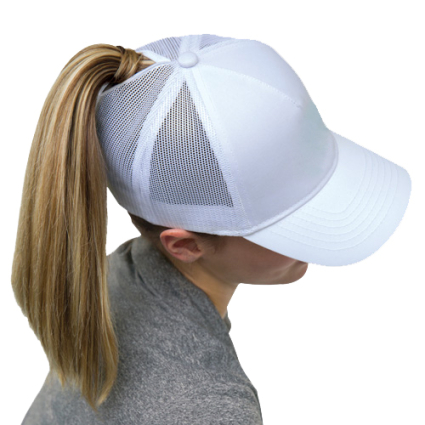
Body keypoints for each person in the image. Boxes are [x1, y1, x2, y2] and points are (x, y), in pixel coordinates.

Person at [11, 34, 411, 424]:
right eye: (290, 225)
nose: (314, 242)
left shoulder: (115, 278)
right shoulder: (209, 407)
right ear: (184, 245)